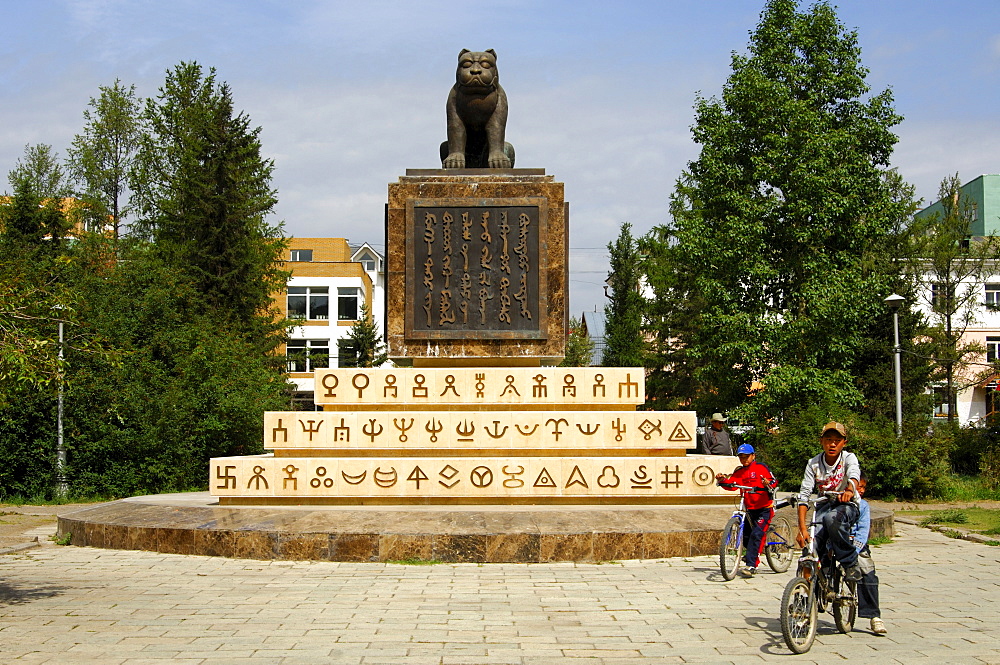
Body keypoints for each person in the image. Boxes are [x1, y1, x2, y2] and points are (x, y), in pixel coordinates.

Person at [796, 421, 862, 581]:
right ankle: (804, 594)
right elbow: (804, 494)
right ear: (821, 441)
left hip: (847, 505)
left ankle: (850, 562)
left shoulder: (848, 458)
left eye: (837, 440)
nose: (832, 444)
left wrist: (849, 489)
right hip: (824, 506)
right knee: (809, 548)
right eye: (828, 440)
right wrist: (802, 528)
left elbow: (854, 474)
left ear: (844, 443)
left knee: (831, 519)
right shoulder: (813, 463)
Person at [716, 443, 777, 577]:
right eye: (741, 457)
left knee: (757, 534)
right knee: (746, 534)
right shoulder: (740, 472)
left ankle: (751, 565)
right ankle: (750, 554)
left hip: (764, 508)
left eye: (747, 456)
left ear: (753, 456)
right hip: (749, 509)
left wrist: (768, 483)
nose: (744, 459)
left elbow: (773, 481)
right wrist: (722, 480)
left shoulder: (761, 468)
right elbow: (732, 484)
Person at [852, 474, 887, 635]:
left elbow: (863, 532)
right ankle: (804, 609)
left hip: (855, 545)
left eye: (863, 487)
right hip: (834, 543)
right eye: (858, 486)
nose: (861, 490)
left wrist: (854, 549)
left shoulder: (863, 506)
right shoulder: (832, 502)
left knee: (868, 573)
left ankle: (874, 615)